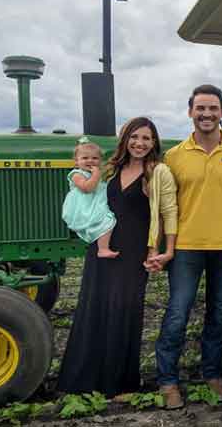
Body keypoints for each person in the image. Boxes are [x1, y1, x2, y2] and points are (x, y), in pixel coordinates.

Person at [152, 84, 222, 409]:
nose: (206, 114)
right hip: (185, 247)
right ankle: (168, 380)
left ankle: (212, 375)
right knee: (177, 312)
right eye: (200, 108)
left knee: (219, 313)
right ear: (190, 112)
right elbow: (162, 206)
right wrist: (159, 248)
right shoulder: (173, 157)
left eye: (213, 108)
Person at [58, 117, 178, 398]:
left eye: (146, 138)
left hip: (133, 250)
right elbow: (88, 197)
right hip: (103, 246)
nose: (140, 143)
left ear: (154, 143)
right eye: (134, 137)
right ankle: (83, 380)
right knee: (94, 306)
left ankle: (119, 383)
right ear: (125, 139)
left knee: (125, 310)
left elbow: (168, 212)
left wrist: (163, 250)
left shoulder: (158, 172)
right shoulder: (111, 169)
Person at [61, 138, 119, 258]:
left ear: (100, 161)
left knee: (108, 220)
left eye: (95, 158)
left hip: (95, 202)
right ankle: (103, 249)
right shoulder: (76, 174)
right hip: (84, 206)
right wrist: (96, 175)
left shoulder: (97, 173)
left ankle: (103, 246)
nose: (90, 161)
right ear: (76, 162)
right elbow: (87, 188)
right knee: (107, 222)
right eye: (85, 158)